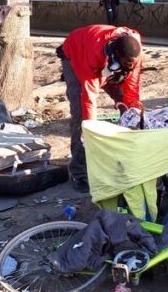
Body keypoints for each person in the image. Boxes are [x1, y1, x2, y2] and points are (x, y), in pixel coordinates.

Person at [59, 25, 144, 192]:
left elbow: (132, 87)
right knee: (81, 117)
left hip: (108, 63)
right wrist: (90, 130)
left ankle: (124, 159)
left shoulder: (135, 52)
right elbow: (89, 97)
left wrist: (131, 111)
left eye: (130, 65)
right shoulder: (93, 54)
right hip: (77, 54)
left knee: (129, 110)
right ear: (115, 56)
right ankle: (79, 172)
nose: (128, 67)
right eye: (124, 64)